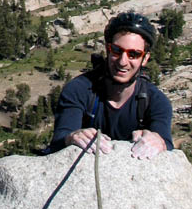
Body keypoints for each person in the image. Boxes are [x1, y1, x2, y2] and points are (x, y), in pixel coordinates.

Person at [49, 11, 173, 159]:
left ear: (145, 58)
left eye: (133, 54)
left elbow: (166, 143)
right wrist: (72, 137)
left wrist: (158, 141)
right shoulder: (79, 90)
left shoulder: (155, 101)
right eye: (116, 51)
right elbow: (58, 141)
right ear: (108, 49)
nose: (122, 61)